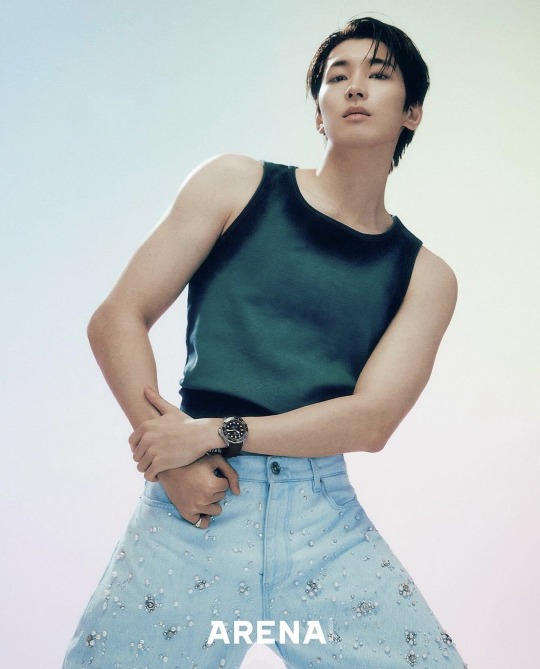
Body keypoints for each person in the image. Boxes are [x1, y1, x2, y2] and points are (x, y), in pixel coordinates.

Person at [63, 16, 467, 669]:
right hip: (196, 503)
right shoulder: (236, 185)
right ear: (318, 112)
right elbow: (117, 317)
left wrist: (214, 432)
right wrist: (171, 461)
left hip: (321, 523)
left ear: (412, 112)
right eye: (337, 76)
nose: (354, 87)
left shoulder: (425, 275)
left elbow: (371, 421)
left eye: (378, 75)